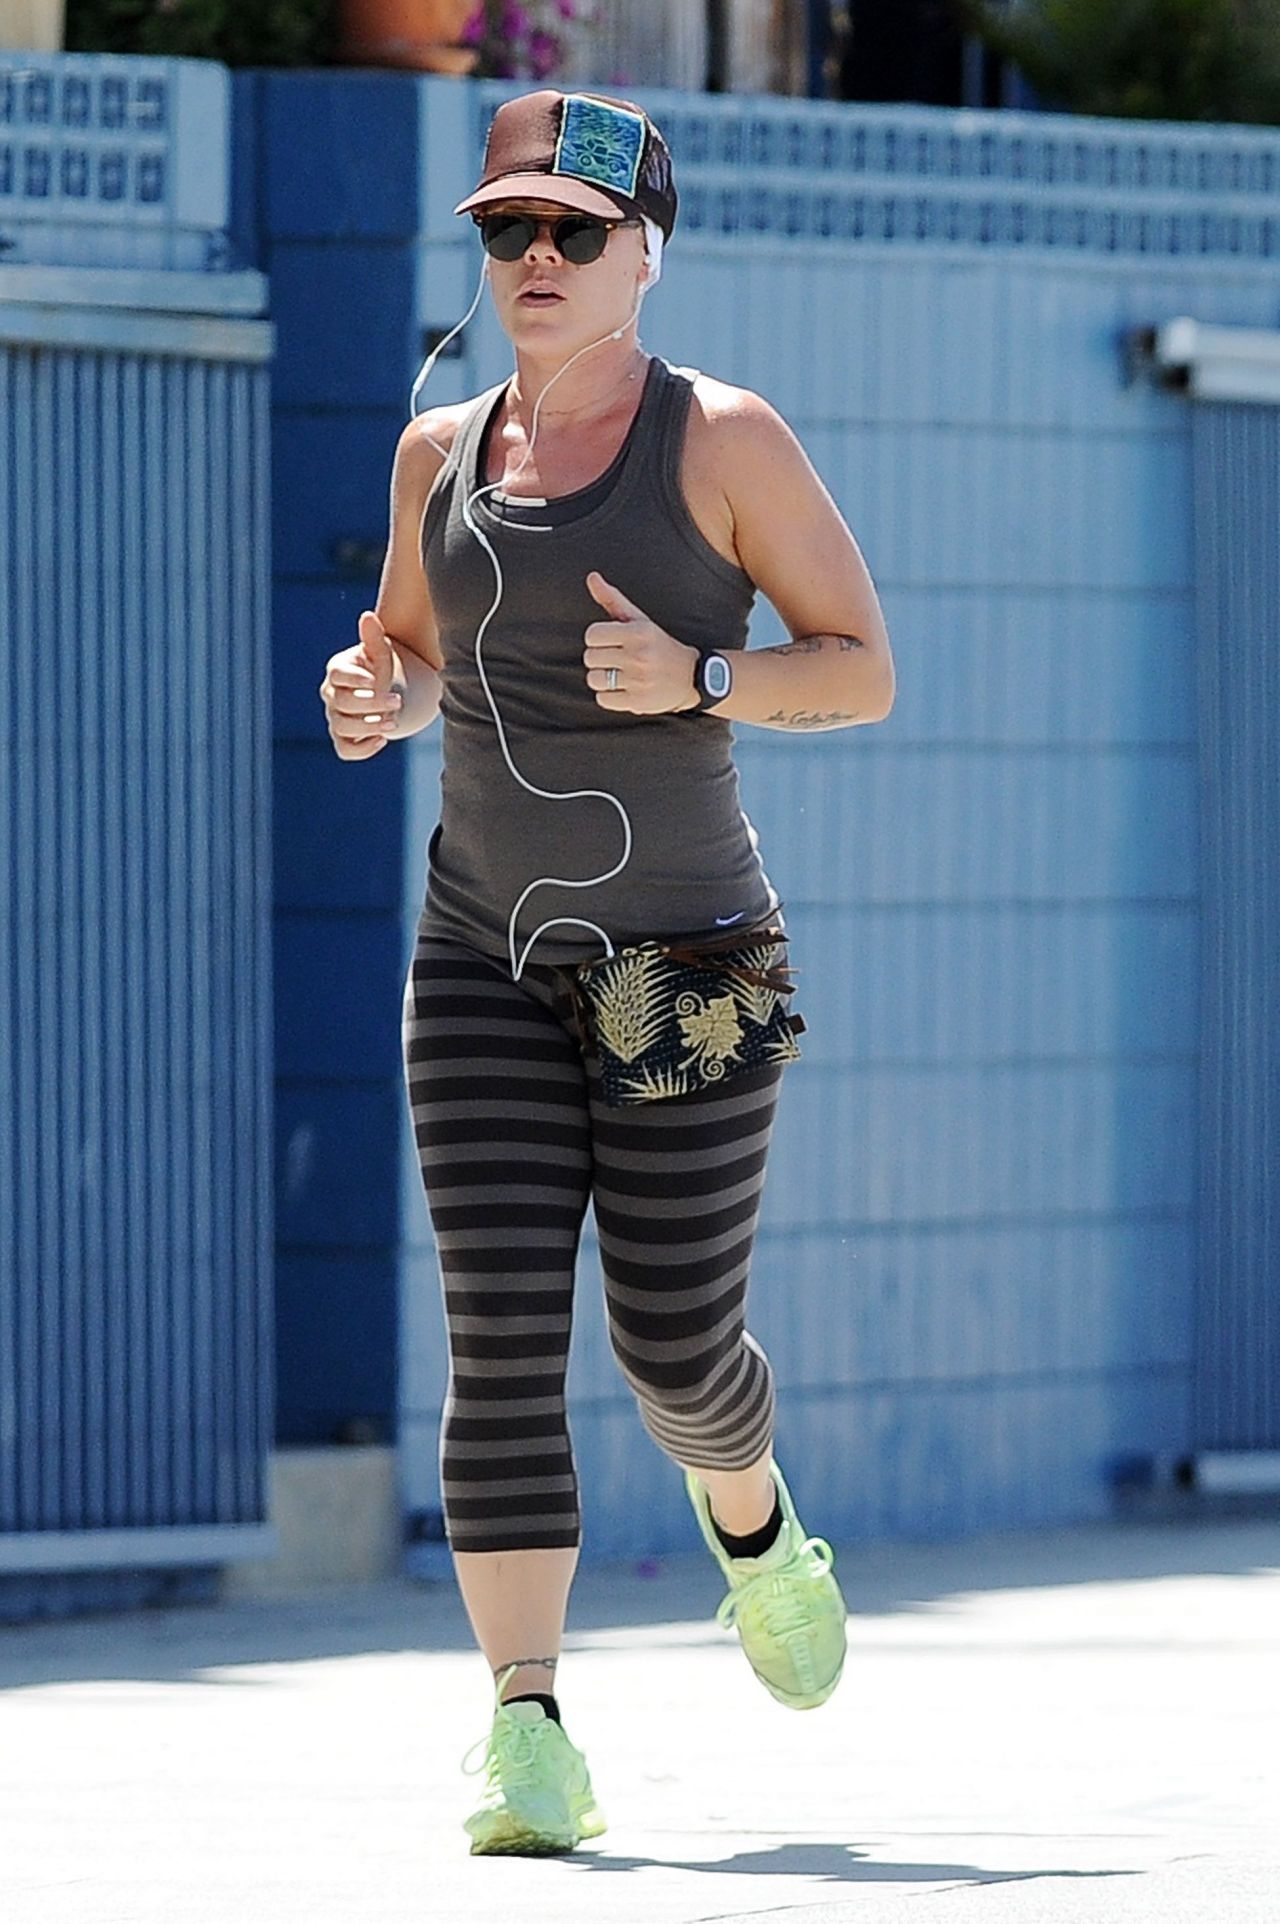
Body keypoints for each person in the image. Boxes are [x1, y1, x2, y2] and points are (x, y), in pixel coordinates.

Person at [318, 88, 896, 1857]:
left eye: (575, 230)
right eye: (508, 231)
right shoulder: (438, 452)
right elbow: (417, 663)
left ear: (650, 247)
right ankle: (527, 1729)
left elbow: (859, 667)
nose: (538, 260)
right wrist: (377, 702)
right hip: (484, 948)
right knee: (498, 1334)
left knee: (670, 1339)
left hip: (689, 963)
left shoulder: (721, 440)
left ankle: (747, 1513)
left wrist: (708, 682)